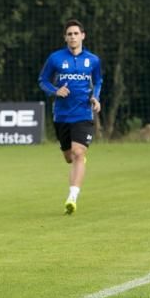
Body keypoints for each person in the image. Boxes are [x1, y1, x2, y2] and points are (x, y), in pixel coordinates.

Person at [38, 20, 102, 215]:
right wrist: (56, 91)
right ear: (65, 37)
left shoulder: (93, 60)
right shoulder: (56, 58)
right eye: (69, 34)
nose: (73, 37)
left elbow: (98, 81)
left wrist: (96, 98)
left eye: (76, 33)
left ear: (83, 35)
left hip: (83, 114)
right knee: (69, 157)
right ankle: (77, 161)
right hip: (62, 116)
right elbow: (43, 80)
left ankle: (72, 197)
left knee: (78, 153)